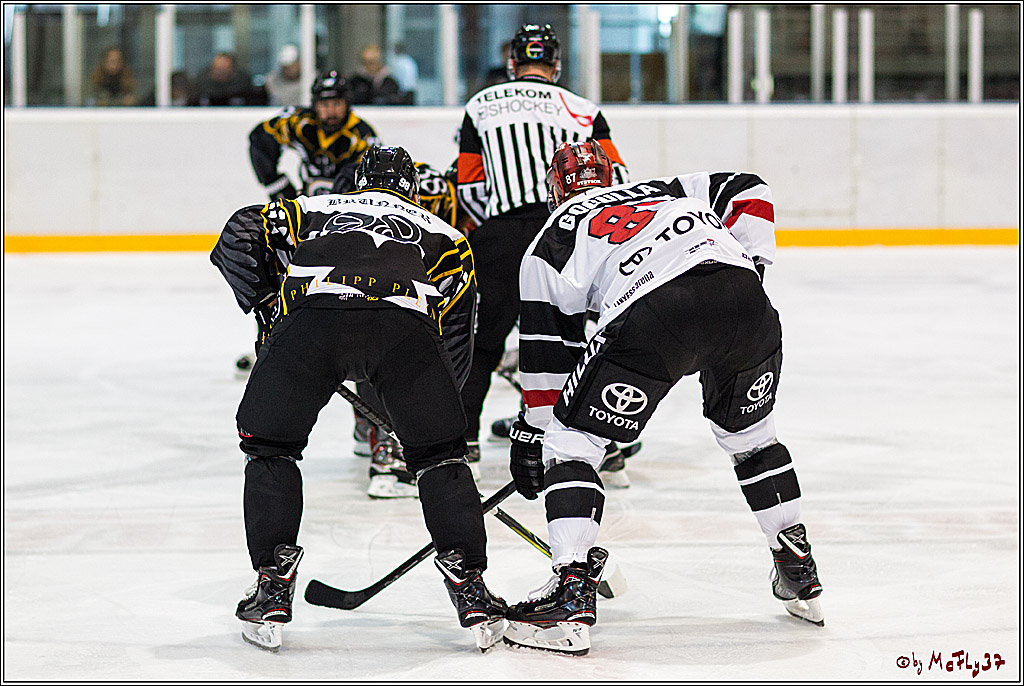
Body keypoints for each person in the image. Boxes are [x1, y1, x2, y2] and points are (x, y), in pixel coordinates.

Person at [503, 140, 824, 655]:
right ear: (614, 176)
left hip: (655, 314)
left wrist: (534, 432)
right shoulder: (664, 190)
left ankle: (570, 594)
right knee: (751, 438)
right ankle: (797, 568)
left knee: (572, 446)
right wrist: (751, 265)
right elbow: (749, 186)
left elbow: (546, 361)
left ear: (554, 191)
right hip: (745, 302)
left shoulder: (549, 239)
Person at [210, 146, 507, 652]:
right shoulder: (447, 234)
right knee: (441, 458)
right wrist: (430, 419)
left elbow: (238, 233)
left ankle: (272, 586)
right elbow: (458, 332)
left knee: (270, 446)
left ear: (357, 182)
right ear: (410, 188)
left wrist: (268, 310)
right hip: (403, 329)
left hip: (313, 323)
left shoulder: (315, 207)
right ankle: (471, 588)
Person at [455, 23, 629, 472]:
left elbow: (470, 187)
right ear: (556, 65)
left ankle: (462, 440)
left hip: (503, 233)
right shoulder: (584, 109)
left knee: (484, 340)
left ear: (513, 64)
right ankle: (597, 441)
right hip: (572, 232)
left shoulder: (479, 105)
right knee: (579, 337)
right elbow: (618, 181)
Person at [250, 70, 381, 200]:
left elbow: (377, 177)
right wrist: (276, 184)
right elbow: (260, 137)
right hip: (310, 203)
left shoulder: (363, 136)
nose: (331, 112)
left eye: (337, 104)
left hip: (348, 207)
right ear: (314, 105)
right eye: (324, 105)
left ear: (347, 104)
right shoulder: (301, 122)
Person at [194, 52, 264, 106]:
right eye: (217, 68)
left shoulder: (242, 82)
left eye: (223, 69)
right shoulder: (203, 82)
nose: (219, 72)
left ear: (231, 69)